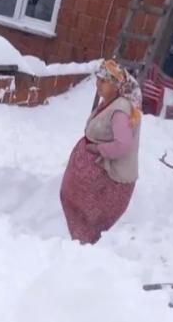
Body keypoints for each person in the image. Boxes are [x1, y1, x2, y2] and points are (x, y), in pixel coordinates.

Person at [60, 59, 142, 244]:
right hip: (102, 173)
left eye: (104, 81)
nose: (98, 84)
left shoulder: (120, 109)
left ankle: (84, 244)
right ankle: (81, 241)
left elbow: (122, 145)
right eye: (98, 79)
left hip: (111, 180)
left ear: (116, 85)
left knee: (90, 221)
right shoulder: (111, 103)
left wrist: (97, 149)